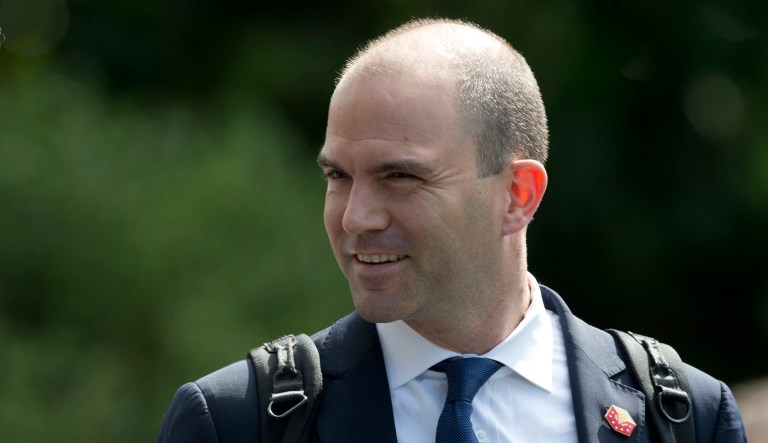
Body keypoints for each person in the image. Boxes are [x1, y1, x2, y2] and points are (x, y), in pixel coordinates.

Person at [158, 19, 747, 442]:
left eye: (400, 177)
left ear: (518, 196)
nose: (357, 216)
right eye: (338, 175)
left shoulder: (682, 414)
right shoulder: (241, 420)